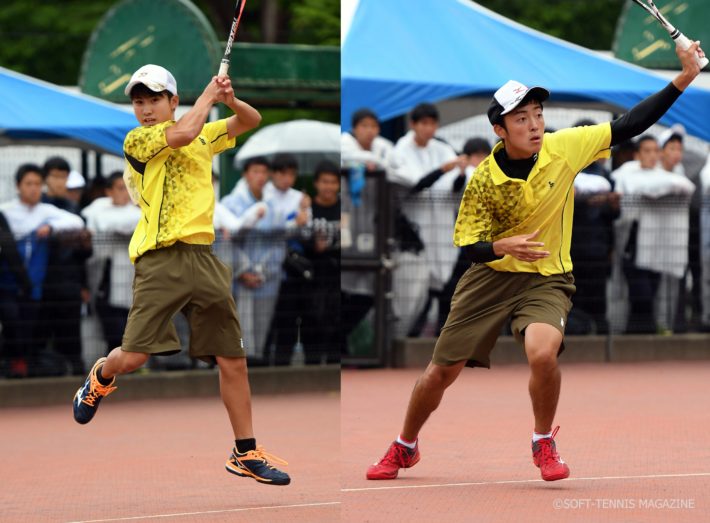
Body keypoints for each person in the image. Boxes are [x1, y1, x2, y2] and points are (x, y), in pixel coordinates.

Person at [366, 42, 705, 482]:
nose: (535, 124)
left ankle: (543, 441)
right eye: (521, 118)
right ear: (499, 129)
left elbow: (630, 124)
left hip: (547, 275)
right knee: (439, 373)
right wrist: (503, 246)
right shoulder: (484, 179)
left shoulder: (565, 148)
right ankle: (405, 445)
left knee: (542, 353)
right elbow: (469, 246)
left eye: (538, 114)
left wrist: (685, 76)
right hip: (489, 276)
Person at [72, 64, 290, 486]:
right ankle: (101, 375)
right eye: (139, 101)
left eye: (155, 99)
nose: (146, 108)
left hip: (204, 258)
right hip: (159, 261)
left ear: (173, 101)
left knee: (233, 359)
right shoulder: (140, 138)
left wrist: (229, 99)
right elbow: (184, 135)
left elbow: (250, 120)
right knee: (134, 357)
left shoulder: (205, 133)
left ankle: (245, 453)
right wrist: (208, 98)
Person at [387, 103, 467, 337]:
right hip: (413, 234)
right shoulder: (400, 150)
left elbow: (456, 186)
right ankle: (401, 337)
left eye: (433, 123)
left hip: (441, 228)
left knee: (439, 284)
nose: (428, 129)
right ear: (413, 124)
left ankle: (423, 337)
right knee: (413, 289)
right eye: (423, 123)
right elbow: (414, 184)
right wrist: (443, 170)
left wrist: (459, 173)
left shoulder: (442, 149)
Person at [0, 164, 85, 377]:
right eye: (28, 183)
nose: (33, 188)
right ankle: (11, 364)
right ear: (18, 186)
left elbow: (77, 222)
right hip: (7, 283)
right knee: (10, 321)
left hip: (34, 286)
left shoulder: (46, 212)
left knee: (30, 328)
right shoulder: (6, 212)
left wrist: (51, 228)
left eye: (38, 184)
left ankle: (23, 369)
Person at [612, 135, 695, 334]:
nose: (652, 155)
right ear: (637, 154)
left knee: (653, 295)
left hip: (659, 249)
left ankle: (643, 336)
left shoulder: (667, 177)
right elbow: (627, 196)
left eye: (655, 151)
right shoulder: (625, 174)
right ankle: (636, 335)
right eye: (647, 151)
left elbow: (687, 187)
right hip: (631, 248)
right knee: (641, 295)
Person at [340, 108, 394, 352]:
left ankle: (342, 335)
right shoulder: (344, 143)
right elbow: (351, 158)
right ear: (354, 127)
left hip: (373, 230)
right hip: (346, 225)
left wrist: (378, 162)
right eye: (364, 126)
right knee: (343, 286)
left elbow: (396, 168)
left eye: (374, 126)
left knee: (369, 292)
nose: (369, 131)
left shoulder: (383, 146)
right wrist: (371, 161)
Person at [221, 157, 282, 364]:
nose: (260, 177)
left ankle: (259, 367)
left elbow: (279, 243)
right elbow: (225, 242)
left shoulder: (274, 207)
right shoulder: (230, 203)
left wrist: (264, 272)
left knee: (262, 329)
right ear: (246, 175)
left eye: (265, 172)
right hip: (239, 280)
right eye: (255, 171)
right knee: (238, 331)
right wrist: (242, 271)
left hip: (267, 280)